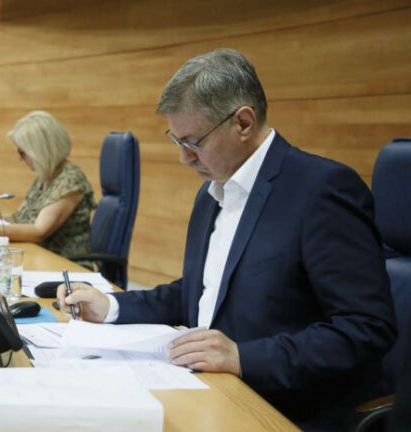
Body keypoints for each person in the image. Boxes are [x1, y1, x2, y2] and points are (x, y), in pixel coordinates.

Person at [57, 48, 396, 431]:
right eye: (177, 142)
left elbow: (365, 329)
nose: (185, 158)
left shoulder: (321, 190)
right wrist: (112, 307)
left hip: (280, 408)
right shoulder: (212, 193)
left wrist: (242, 356)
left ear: (243, 123)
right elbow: (199, 292)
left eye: (194, 142)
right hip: (205, 389)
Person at [0, 110, 94, 258]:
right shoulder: (45, 177)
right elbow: (18, 218)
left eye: (22, 152)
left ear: (40, 151)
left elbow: (39, 231)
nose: (20, 158)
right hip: (39, 257)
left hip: (65, 264)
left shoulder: (70, 180)